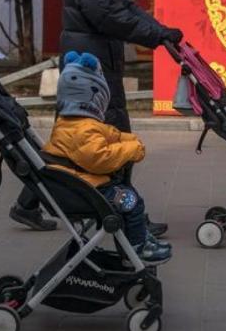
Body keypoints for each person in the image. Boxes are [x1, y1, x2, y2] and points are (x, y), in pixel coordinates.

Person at [10, 0, 182, 234]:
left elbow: (124, 6)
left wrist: (160, 31)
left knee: (70, 139)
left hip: (89, 60)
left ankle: (27, 203)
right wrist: (155, 34)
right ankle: (129, 213)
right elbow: (109, 15)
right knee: (116, 134)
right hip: (93, 68)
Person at [43, 52, 171, 263]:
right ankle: (138, 246)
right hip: (88, 189)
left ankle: (137, 239)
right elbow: (100, 159)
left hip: (79, 183)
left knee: (129, 196)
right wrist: (131, 149)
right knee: (131, 202)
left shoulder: (70, 123)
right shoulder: (84, 130)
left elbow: (108, 134)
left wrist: (125, 138)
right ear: (95, 96)